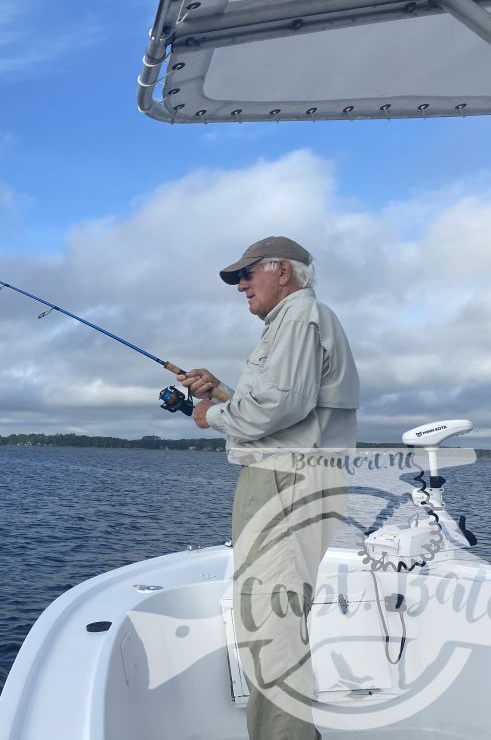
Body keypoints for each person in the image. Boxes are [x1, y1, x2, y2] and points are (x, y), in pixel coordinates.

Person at [178, 235, 359, 740]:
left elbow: (278, 410)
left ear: (283, 272)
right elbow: (286, 409)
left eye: (246, 273)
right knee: (275, 615)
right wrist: (222, 391)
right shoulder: (297, 322)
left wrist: (210, 413)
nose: (240, 286)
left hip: (284, 480)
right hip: (295, 476)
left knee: (270, 623)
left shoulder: (299, 318)